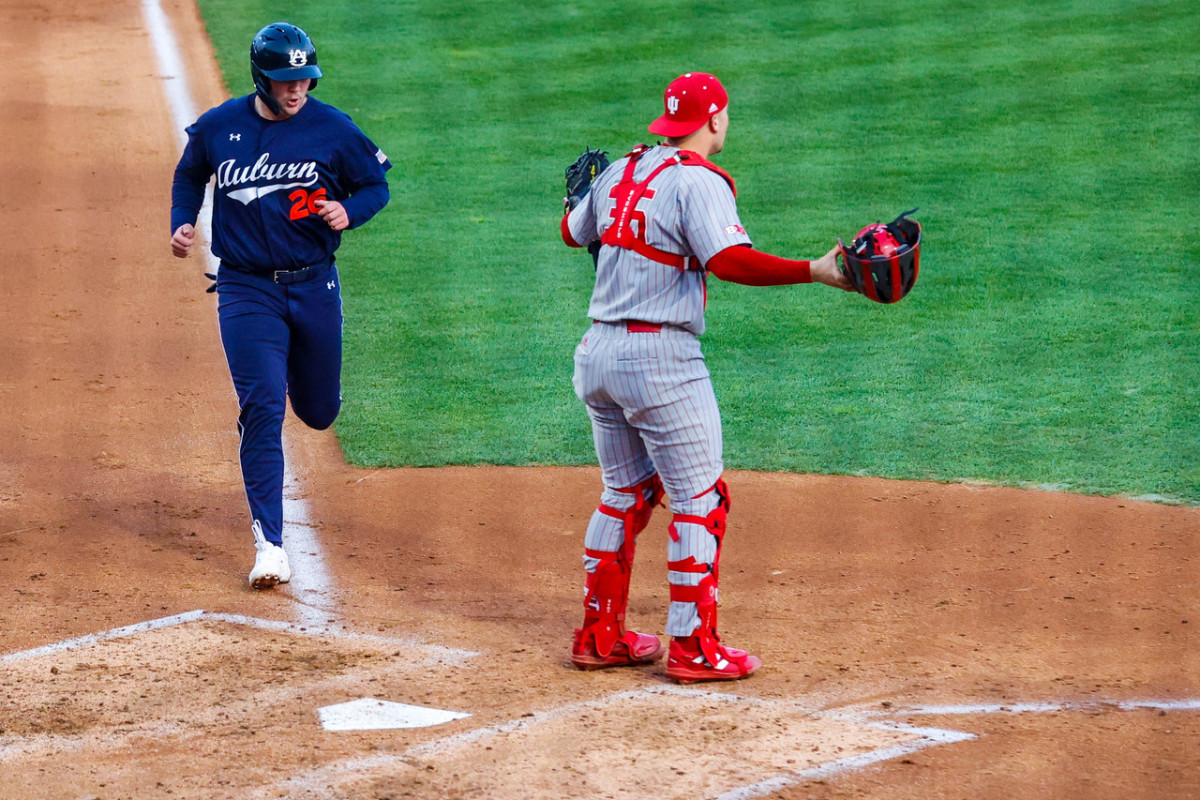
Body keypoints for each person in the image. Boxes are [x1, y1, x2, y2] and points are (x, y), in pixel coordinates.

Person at [560, 72, 850, 683]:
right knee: (700, 501)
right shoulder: (699, 182)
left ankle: (599, 634)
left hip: (597, 354)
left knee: (627, 492)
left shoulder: (623, 170)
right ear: (716, 119)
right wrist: (814, 270)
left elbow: (572, 232)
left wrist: (577, 206)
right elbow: (728, 261)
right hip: (660, 361)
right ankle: (694, 648)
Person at [170, 22, 391, 589]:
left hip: (314, 285)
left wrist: (350, 211)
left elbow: (375, 186)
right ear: (261, 78)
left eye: (305, 79)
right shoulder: (222, 126)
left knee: (318, 412)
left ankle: (298, 373)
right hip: (246, 288)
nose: (297, 90)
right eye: (285, 81)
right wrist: (184, 219)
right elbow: (191, 171)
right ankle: (270, 542)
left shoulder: (332, 127)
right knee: (263, 404)